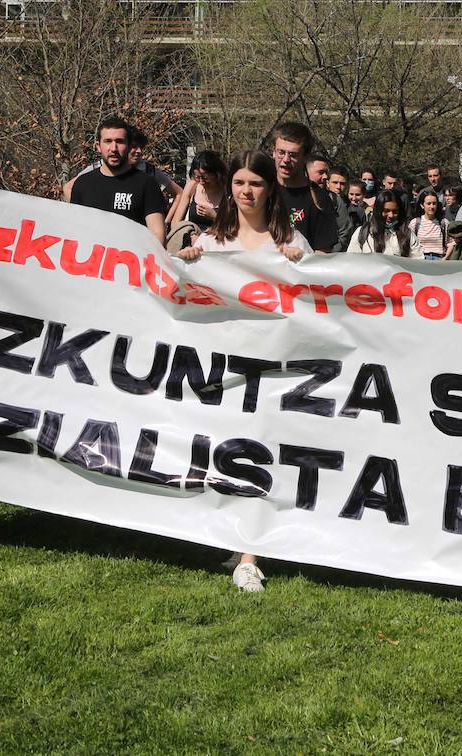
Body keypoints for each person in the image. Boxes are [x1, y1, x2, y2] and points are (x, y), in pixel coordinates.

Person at [176, 150, 310, 593]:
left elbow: (318, 303)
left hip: (273, 370)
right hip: (224, 370)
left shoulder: (290, 242)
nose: (246, 191)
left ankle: (251, 556)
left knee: (262, 451)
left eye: (255, 183)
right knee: (224, 449)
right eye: (239, 183)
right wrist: (190, 259)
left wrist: (302, 266)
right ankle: (237, 538)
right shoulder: (212, 242)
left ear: (270, 187)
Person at [69, 118, 167, 243]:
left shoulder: (147, 184)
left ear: (129, 145)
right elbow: (73, 231)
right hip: (91, 260)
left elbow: (157, 234)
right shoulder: (82, 184)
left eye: (120, 142)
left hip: (131, 260)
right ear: (98, 146)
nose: (114, 148)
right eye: (108, 141)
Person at [268, 122, 337, 254]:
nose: (286, 159)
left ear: (305, 157)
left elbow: (323, 253)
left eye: (293, 155)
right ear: (274, 152)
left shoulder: (319, 199)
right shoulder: (262, 190)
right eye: (281, 152)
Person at [166, 150, 227, 247]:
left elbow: (237, 226)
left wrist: (215, 216)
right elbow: (175, 222)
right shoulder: (191, 187)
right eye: (198, 177)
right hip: (192, 244)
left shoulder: (228, 193)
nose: (202, 181)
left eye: (206, 177)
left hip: (217, 246)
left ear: (216, 174)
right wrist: (190, 234)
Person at [348, 191, 419, 257]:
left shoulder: (407, 234)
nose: (391, 215)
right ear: (378, 210)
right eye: (386, 211)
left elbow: (418, 260)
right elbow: (351, 260)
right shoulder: (362, 233)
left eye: (395, 211)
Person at [408, 191, 448, 260]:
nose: (432, 207)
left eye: (434, 203)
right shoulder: (415, 223)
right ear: (422, 205)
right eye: (428, 204)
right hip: (420, 260)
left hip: (439, 260)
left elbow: (450, 243)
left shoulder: (444, 223)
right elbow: (409, 243)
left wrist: (445, 258)